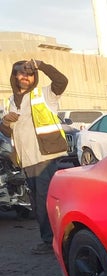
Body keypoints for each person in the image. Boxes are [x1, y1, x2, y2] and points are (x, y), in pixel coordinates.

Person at [0, 59, 68, 254]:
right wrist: (5, 122)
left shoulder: (45, 94)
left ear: (34, 76)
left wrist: (41, 65)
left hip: (44, 157)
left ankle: (52, 242)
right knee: (39, 203)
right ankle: (53, 239)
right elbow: (6, 132)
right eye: (21, 73)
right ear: (14, 76)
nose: (25, 76)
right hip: (27, 160)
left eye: (29, 73)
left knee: (44, 201)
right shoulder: (10, 102)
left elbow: (61, 81)